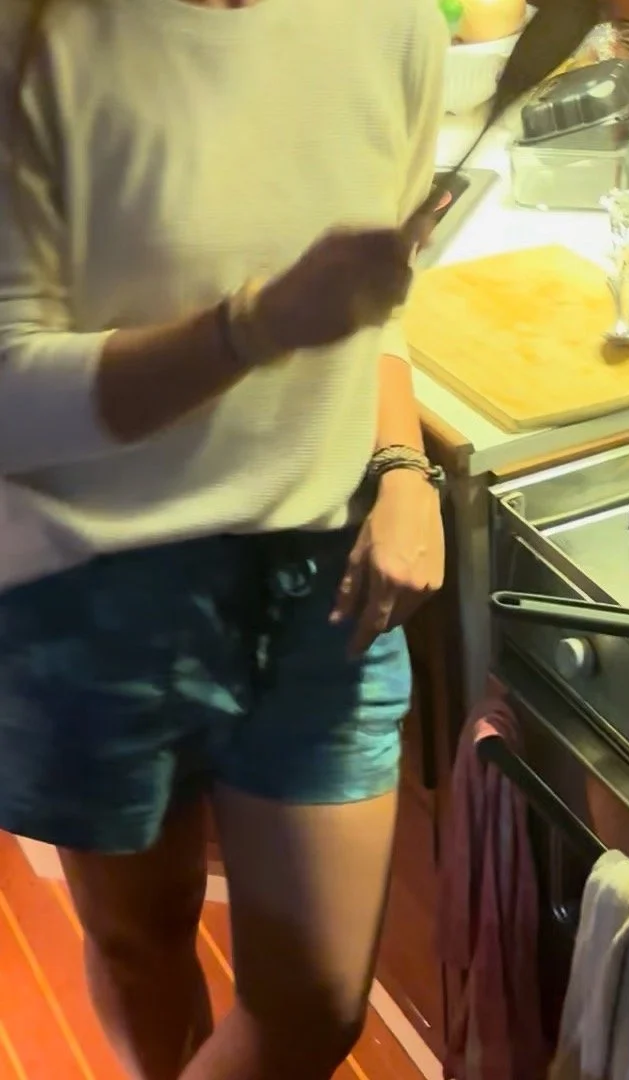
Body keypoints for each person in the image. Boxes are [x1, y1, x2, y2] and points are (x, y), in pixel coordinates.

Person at [0, 0, 448, 1077]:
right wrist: (254, 327)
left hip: (322, 569)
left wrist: (401, 465)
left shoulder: (393, 22)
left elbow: (378, 298)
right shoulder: (34, 39)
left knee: (318, 1003)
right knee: (139, 941)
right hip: (85, 583)